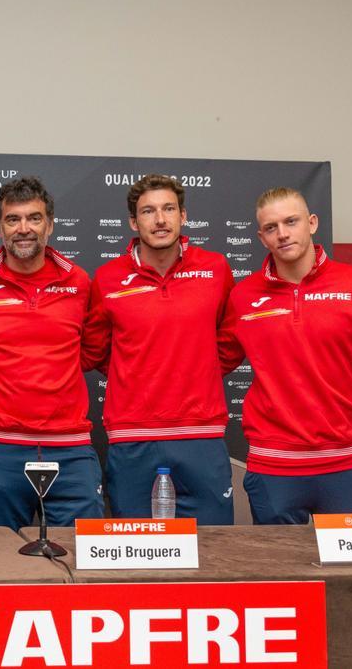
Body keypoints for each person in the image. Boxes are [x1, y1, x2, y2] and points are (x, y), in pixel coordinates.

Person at [219, 187, 352, 524]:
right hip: (272, 467)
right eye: (272, 227)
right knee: (279, 575)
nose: (283, 234)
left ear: (312, 223)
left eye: (291, 221)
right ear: (262, 237)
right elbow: (212, 361)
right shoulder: (243, 296)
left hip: (345, 465)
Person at [0, 176, 105, 531]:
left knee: (81, 556)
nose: (24, 228)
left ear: (50, 225)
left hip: (70, 447)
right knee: (3, 560)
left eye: (34, 218)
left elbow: (91, 350)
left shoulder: (80, 282)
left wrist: (53, 374)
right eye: (13, 219)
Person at [84, 174, 235, 523]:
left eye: (169, 209)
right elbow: (97, 350)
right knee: (137, 555)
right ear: (134, 223)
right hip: (132, 435)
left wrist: (197, 367)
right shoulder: (107, 278)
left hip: (201, 433)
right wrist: (138, 370)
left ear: (183, 216)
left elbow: (231, 340)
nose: (160, 219)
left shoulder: (215, 269)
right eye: (149, 212)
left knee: (214, 549)